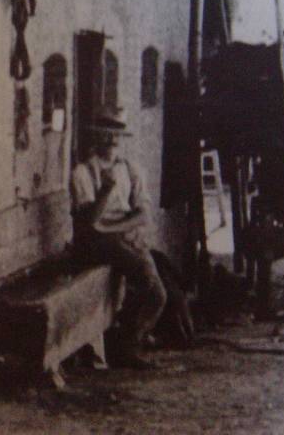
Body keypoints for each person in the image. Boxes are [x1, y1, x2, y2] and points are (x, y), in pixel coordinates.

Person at [70, 107, 167, 369]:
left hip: (122, 234)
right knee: (146, 279)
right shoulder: (83, 172)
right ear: (96, 137)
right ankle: (126, 348)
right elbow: (89, 224)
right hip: (95, 244)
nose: (112, 140)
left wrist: (116, 227)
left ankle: (129, 339)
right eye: (106, 134)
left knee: (158, 294)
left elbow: (143, 214)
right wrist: (106, 190)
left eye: (116, 135)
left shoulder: (130, 169)